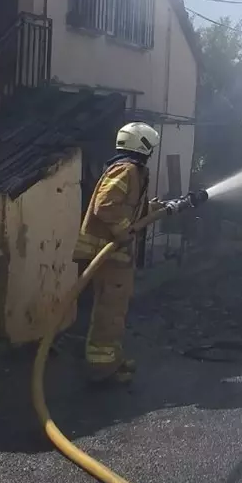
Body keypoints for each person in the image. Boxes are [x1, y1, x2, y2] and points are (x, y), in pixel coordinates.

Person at [73, 121, 162, 383]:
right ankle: (103, 369)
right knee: (109, 312)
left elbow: (125, 206)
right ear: (143, 145)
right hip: (108, 254)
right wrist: (124, 231)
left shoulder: (130, 170)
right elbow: (106, 205)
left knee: (114, 310)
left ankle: (112, 359)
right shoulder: (126, 170)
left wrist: (152, 208)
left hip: (113, 256)